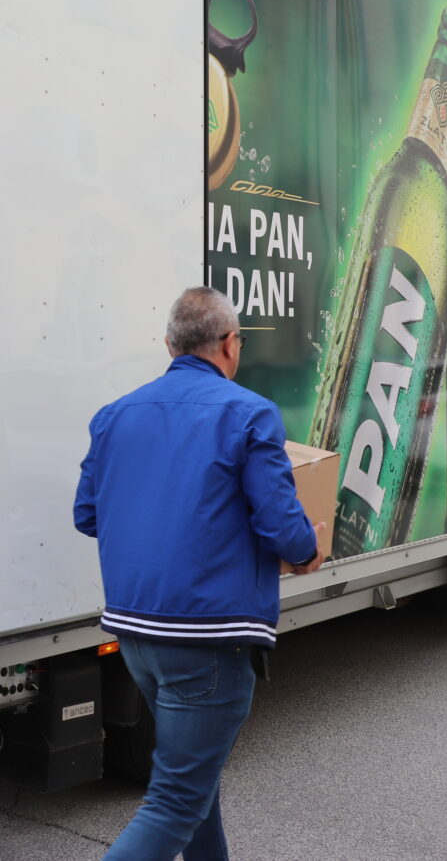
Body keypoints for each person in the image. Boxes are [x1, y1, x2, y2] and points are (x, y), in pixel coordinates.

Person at [74, 286, 325, 861]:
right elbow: (282, 526)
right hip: (208, 638)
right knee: (175, 802)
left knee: (195, 785)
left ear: (169, 344)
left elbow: (87, 516)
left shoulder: (113, 416)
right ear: (231, 344)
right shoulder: (250, 413)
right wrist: (307, 546)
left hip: (135, 634)